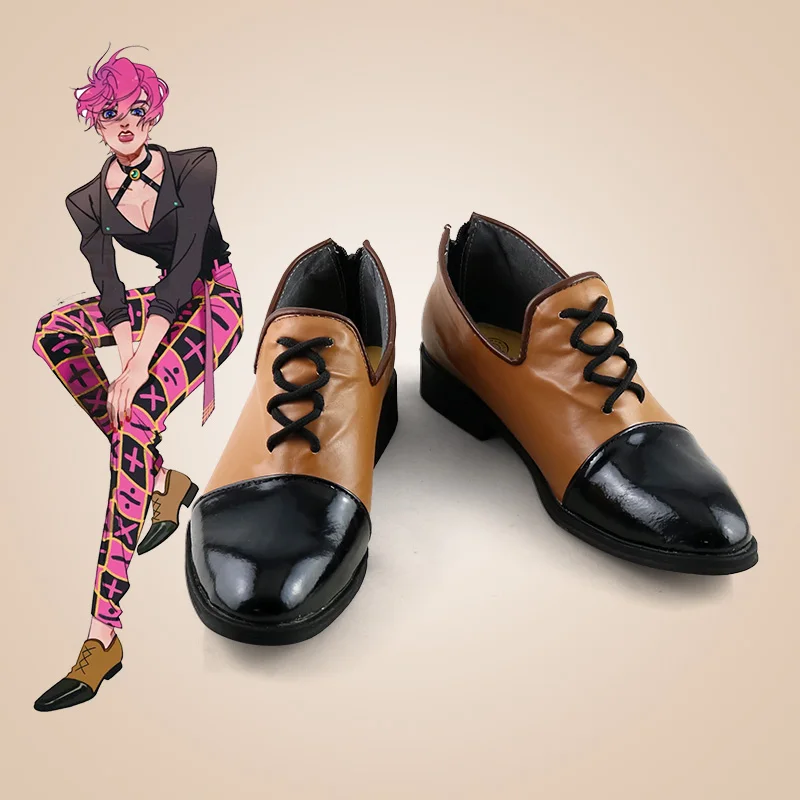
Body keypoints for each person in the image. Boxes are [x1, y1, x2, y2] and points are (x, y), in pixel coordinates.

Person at [32, 47, 244, 711]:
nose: (125, 122)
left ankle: (103, 634)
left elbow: (183, 273)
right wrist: (127, 356)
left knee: (137, 417)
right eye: (110, 114)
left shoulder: (195, 167)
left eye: (135, 109)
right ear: (95, 123)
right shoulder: (86, 201)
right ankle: (159, 480)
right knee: (52, 332)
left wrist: (138, 365)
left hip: (211, 303)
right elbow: (110, 288)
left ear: (152, 113)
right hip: (149, 312)